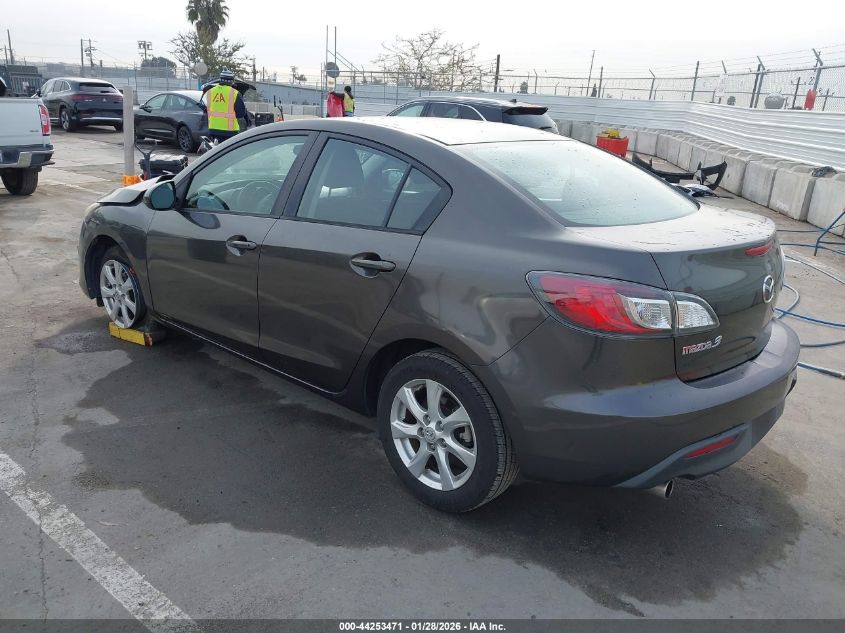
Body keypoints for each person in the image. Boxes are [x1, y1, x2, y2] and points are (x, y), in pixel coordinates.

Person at [203, 69, 248, 144]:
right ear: (232, 81)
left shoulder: (210, 92)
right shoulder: (235, 93)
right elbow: (241, 114)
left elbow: (205, 108)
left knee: (216, 149)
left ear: (220, 79)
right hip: (230, 131)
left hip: (213, 129)